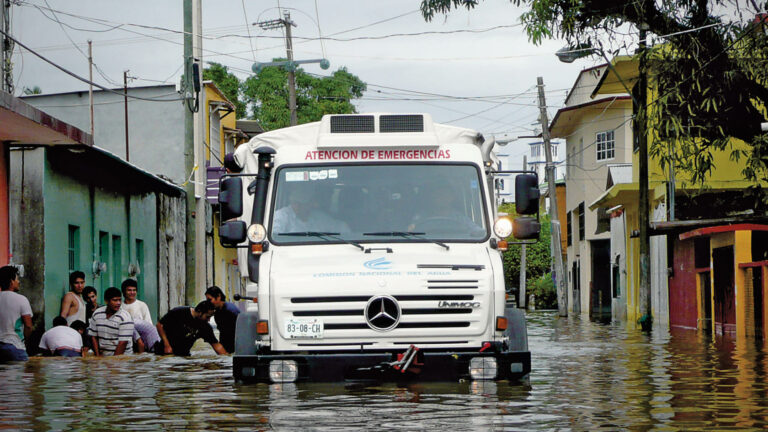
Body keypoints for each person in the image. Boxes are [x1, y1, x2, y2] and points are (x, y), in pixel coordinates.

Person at [156, 301, 227, 356]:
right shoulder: (179, 312)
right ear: (199, 312)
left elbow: (216, 345)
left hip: (184, 355)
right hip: (164, 351)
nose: (208, 320)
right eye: (207, 317)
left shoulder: (205, 327)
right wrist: (167, 345)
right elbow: (159, 325)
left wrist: (226, 358)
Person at [272, 187, 350, 234]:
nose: (314, 205)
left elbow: (341, 227)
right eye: (309, 203)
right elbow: (274, 235)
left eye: (311, 203)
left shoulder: (318, 217)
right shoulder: (281, 216)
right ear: (296, 203)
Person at [0, 266, 33, 362]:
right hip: (15, 347)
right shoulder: (21, 299)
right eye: (17, 279)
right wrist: (25, 343)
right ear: (11, 281)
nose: (18, 282)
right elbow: (28, 326)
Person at [88, 287, 134, 356]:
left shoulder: (125, 317)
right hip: (103, 356)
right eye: (115, 300)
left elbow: (123, 343)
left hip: (122, 357)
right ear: (106, 301)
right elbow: (93, 336)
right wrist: (98, 357)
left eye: (120, 300)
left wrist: (113, 362)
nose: (118, 303)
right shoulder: (97, 314)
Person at [205, 286, 240, 353]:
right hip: (226, 349)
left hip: (235, 348)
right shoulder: (218, 311)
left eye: (210, 299)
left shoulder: (230, 311)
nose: (208, 302)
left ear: (218, 297)